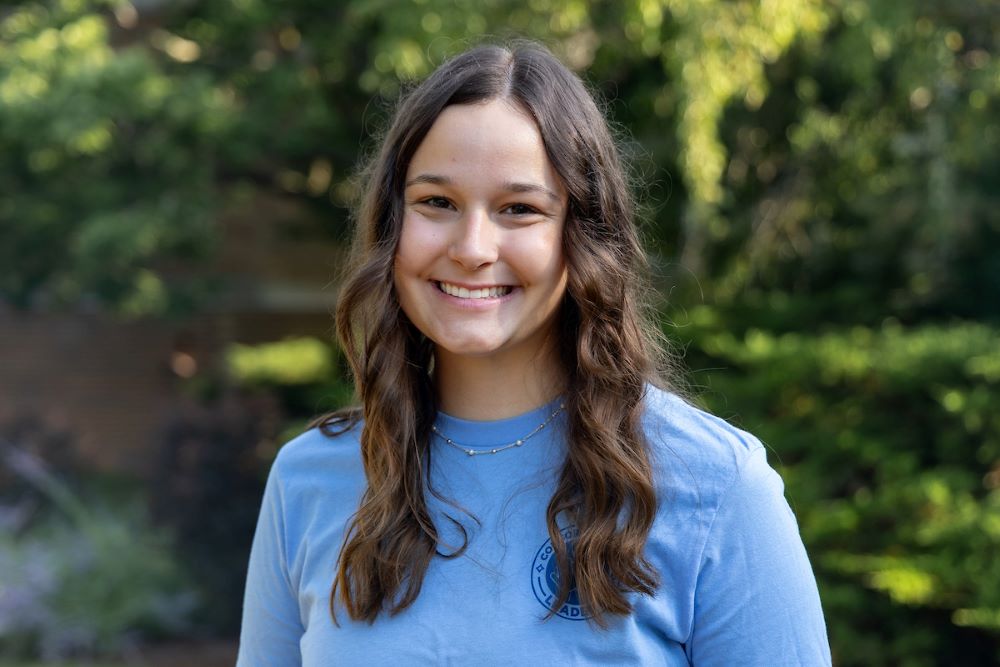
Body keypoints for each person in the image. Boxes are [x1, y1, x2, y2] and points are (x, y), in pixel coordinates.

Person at [237, 41, 832, 666]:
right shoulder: (309, 479)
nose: (472, 248)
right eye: (436, 203)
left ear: (582, 237)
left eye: (519, 209)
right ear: (393, 226)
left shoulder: (715, 488)